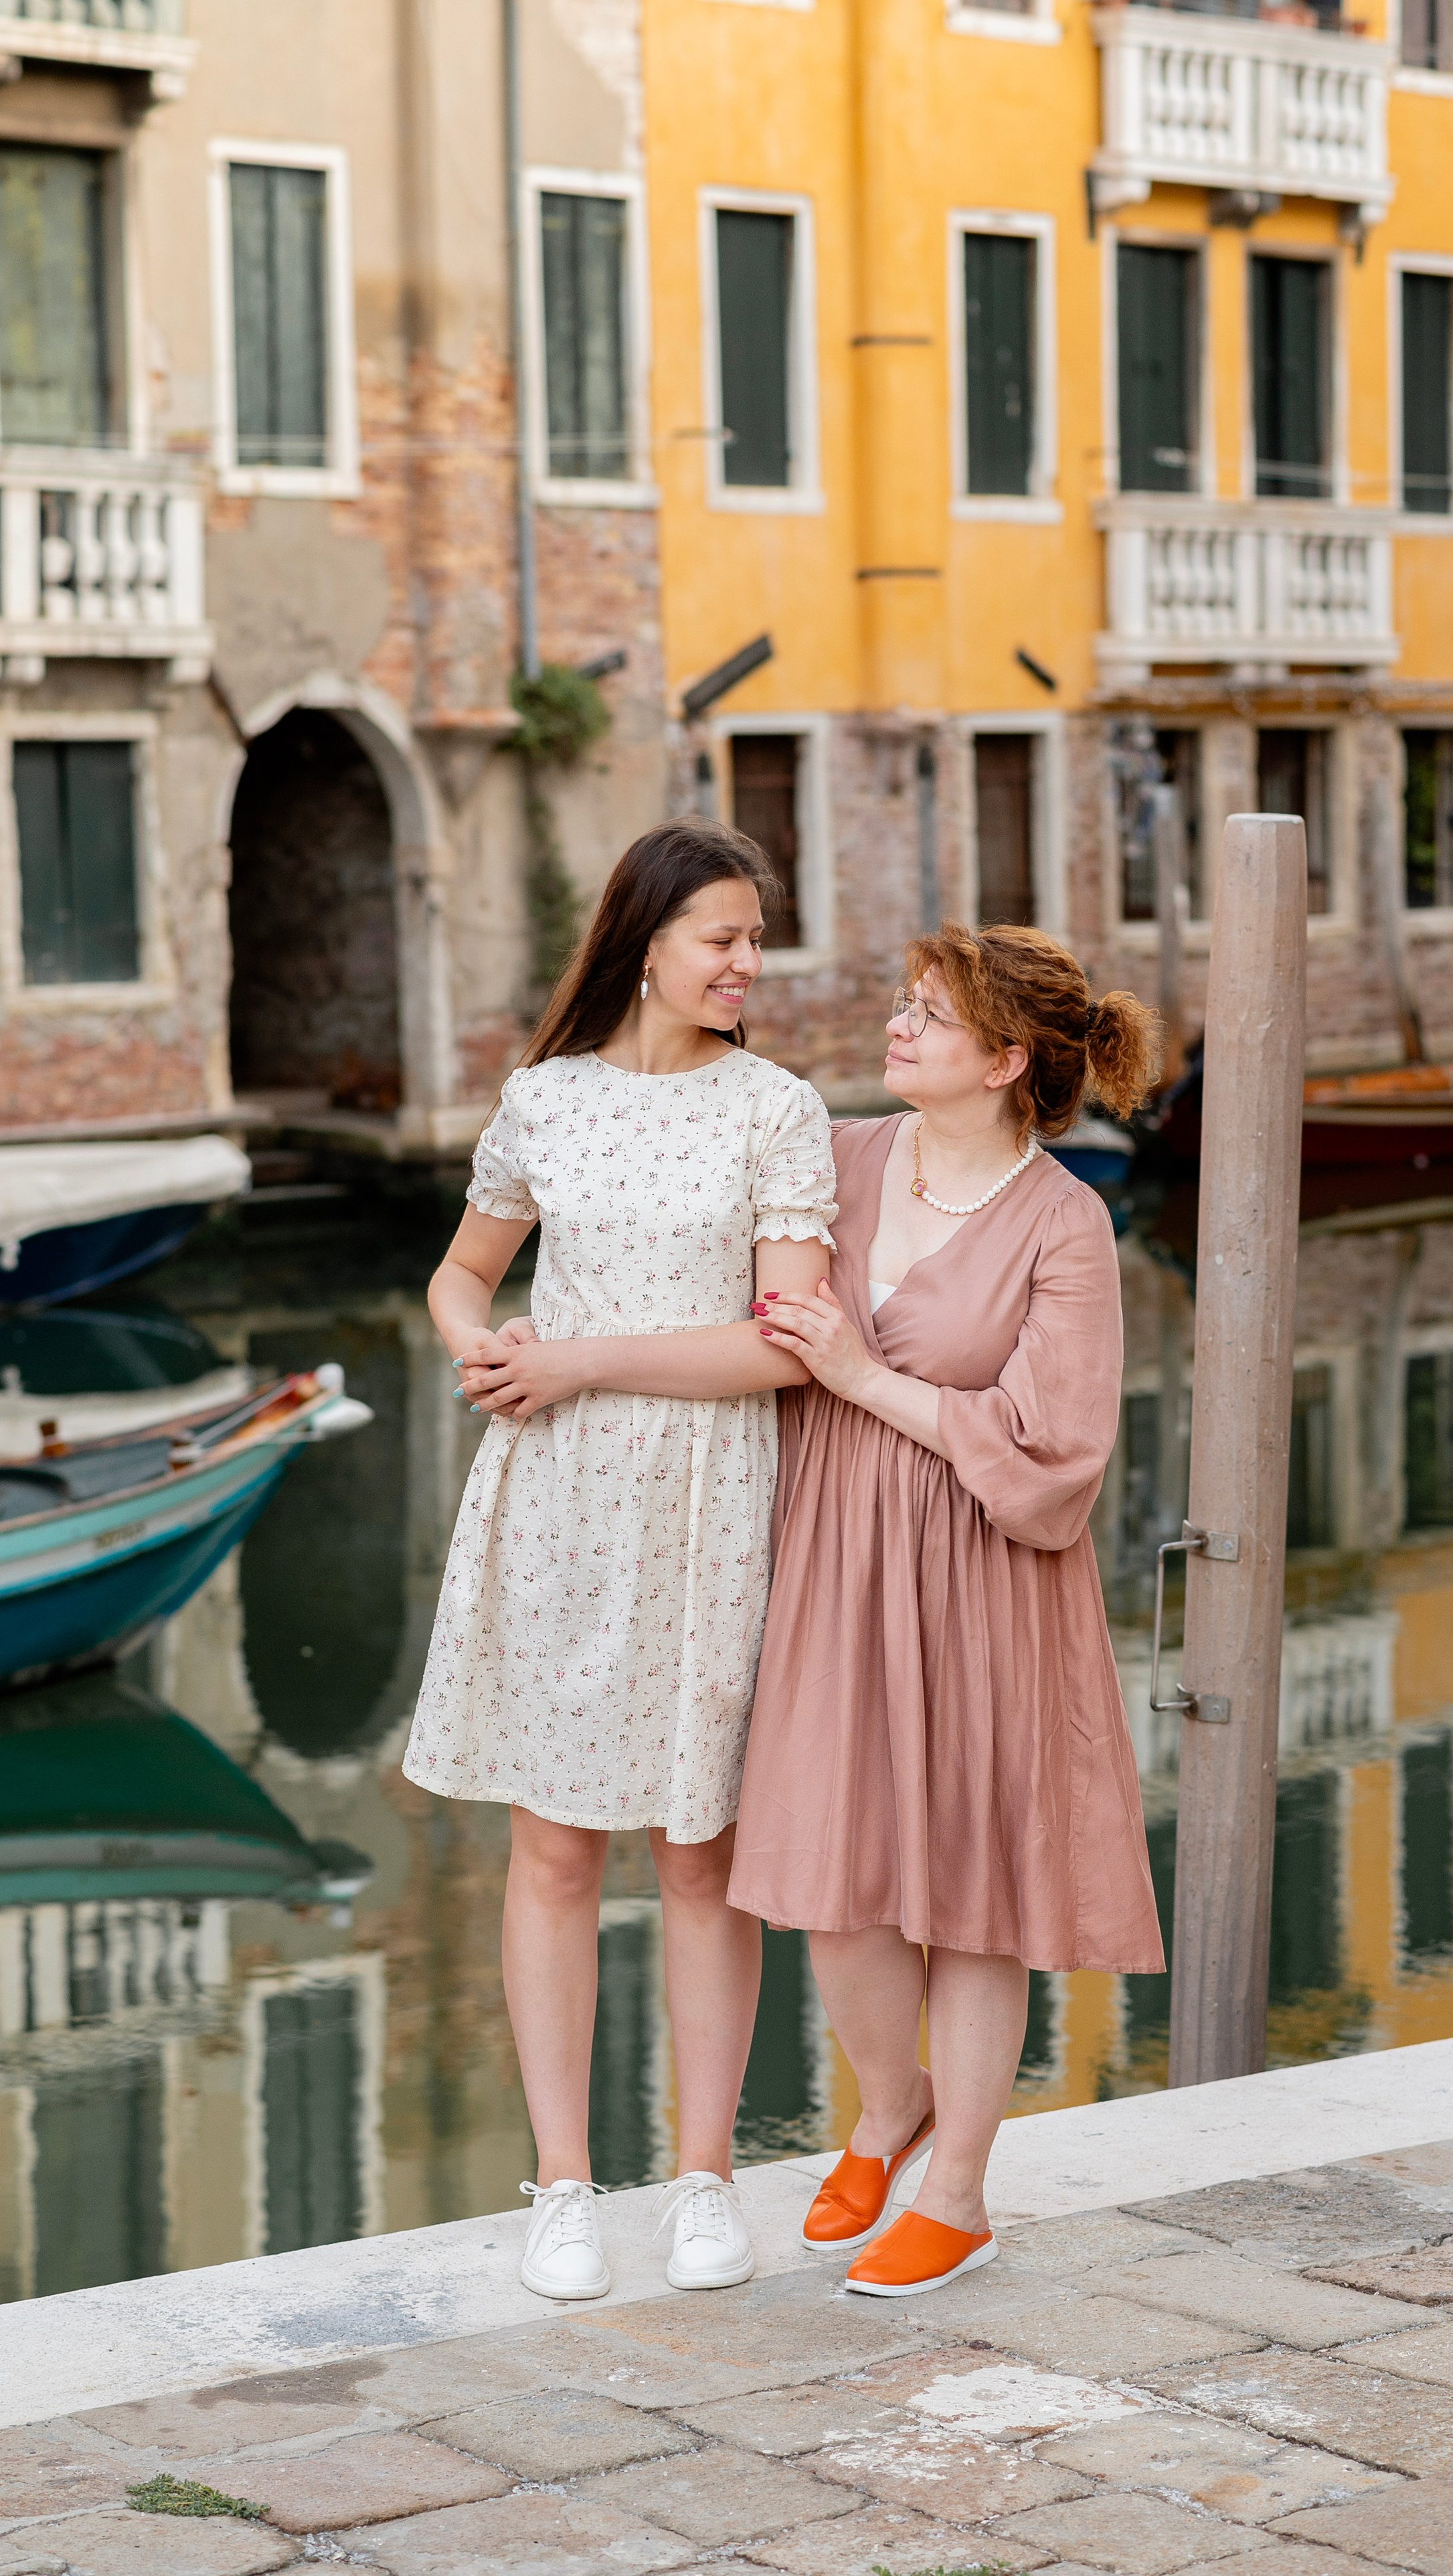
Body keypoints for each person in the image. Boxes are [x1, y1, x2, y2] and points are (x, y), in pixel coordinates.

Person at [403, 819, 836, 2304]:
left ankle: (705, 2176)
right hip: (560, 1492)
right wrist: (487, 1354)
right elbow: (459, 1278)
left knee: (703, 1851)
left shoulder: (775, 1110)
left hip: (714, 1493)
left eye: (753, 938)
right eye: (721, 934)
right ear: (642, 939)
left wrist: (579, 1355)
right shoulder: (544, 1101)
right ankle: (565, 2185)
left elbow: (782, 1347)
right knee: (553, 1847)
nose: (744, 962)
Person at [731, 921, 1164, 2296]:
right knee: (833, 1874)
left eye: (928, 1015)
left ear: (1004, 1060)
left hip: (984, 1573)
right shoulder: (841, 1158)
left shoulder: (1064, 1223)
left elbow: (1057, 1457)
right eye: (905, 1006)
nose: (895, 1028)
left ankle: (962, 2192)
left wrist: (860, 1378)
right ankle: (886, 2105)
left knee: (972, 1895)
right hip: (833, 1551)